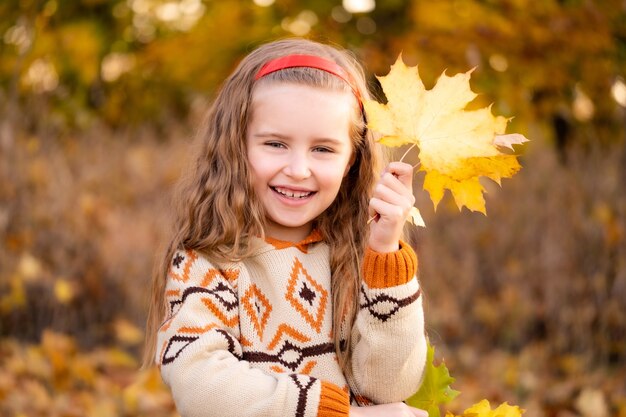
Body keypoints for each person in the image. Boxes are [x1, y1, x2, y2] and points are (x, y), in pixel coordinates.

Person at [143, 38, 428, 417]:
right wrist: (343, 415)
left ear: (352, 161)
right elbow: (203, 388)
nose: (298, 170)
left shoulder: (360, 257)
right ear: (236, 147)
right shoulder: (207, 264)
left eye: (323, 149)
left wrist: (386, 254)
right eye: (275, 144)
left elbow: (391, 386)